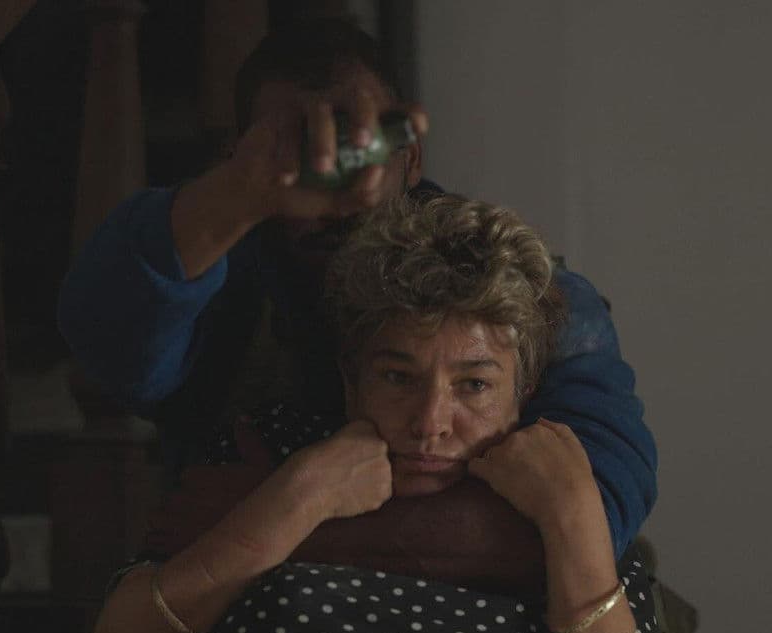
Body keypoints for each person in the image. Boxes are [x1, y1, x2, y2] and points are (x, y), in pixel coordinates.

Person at [56, 18, 657, 558]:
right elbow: (106, 340)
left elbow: (596, 513)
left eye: (357, 151)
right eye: (302, 156)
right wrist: (237, 194)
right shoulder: (225, 284)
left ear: (411, 159)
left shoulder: (520, 293)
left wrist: (270, 518)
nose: (335, 189)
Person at [86, 195, 677, 633]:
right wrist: (297, 499)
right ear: (352, 379)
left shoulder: (560, 487)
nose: (430, 423)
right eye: (398, 377)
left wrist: (572, 518)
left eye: (474, 385)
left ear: (522, 392)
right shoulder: (266, 455)